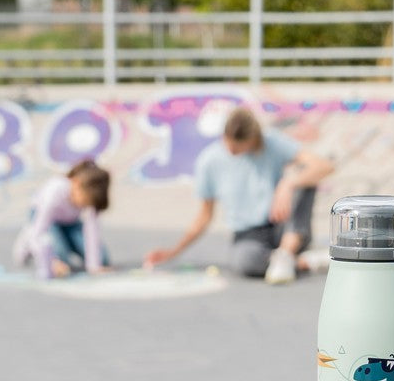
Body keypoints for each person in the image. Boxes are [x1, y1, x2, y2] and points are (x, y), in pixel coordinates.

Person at [143, 104, 333, 284]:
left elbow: (324, 165)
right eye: (229, 144)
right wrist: (173, 252)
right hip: (249, 236)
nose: (232, 150)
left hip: (282, 227)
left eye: (239, 146)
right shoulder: (209, 161)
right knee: (244, 261)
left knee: (304, 182)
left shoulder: (271, 142)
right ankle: (303, 261)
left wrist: (287, 183)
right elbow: (204, 216)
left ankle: (286, 254)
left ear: (254, 139)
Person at [12, 159, 112, 279]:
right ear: (76, 183)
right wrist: (53, 261)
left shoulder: (90, 196)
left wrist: (94, 266)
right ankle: (28, 245)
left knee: (103, 258)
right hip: (47, 222)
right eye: (85, 201)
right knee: (60, 257)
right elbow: (40, 230)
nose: (84, 205)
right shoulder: (55, 190)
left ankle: (61, 243)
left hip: (69, 223)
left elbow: (92, 232)